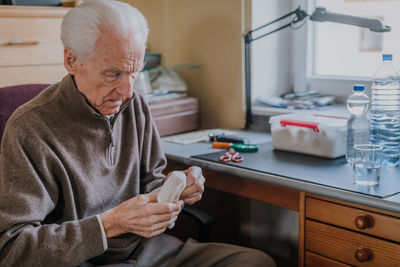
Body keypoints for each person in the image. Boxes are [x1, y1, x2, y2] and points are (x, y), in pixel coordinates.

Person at [0, 0, 276, 266]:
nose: (128, 91)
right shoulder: (30, 129)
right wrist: (110, 224)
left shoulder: (135, 105)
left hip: (147, 251)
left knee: (255, 261)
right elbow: (13, 250)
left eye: (134, 73)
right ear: (72, 60)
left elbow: (151, 184)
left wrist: (175, 190)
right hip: (81, 261)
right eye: (113, 74)